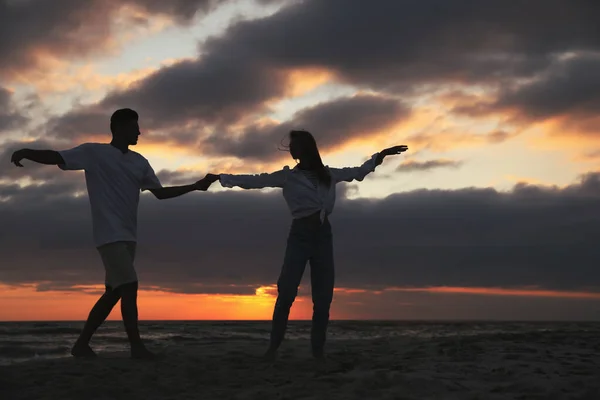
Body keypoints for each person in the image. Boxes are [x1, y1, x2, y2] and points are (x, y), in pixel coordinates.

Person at [10, 108, 212, 359]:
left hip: (129, 236)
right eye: (134, 126)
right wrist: (27, 152)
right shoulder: (94, 153)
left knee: (114, 292)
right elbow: (57, 156)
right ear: (119, 127)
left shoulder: (140, 162)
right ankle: (137, 348)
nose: (139, 131)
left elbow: (160, 193)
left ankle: (81, 344)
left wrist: (195, 186)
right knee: (130, 286)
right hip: (108, 234)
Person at [206, 130, 408, 360]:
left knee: (323, 300)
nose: (291, 149)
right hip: (300, 236)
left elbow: (358, 172)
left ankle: (317, 352)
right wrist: (221, 178)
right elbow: (255, 180)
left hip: (323, 236)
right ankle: (273, 348)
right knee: (286, 294)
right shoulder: (287, 177)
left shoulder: (329, 175)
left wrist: (380, 156)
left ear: (306, 148)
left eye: (294, 145)